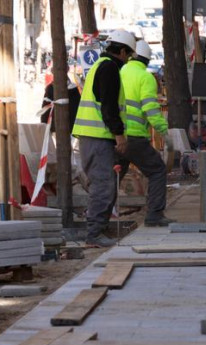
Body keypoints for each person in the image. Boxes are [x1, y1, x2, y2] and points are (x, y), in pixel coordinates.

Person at [72, 29, 137, 248]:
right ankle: (94, 234)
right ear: (121, 51)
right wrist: (119, 135)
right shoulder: (109, 68)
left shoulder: (102, 66)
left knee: (107, 184)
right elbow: (109, 107)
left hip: (96, 137)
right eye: (128, 55)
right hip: (98, 137)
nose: (128, 60)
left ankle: (99, 230)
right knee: (104, 185)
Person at [118, 40, 173, 227]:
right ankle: (155, 215)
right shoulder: (145, 77)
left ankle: (101, 218)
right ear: (147, 60)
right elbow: (150, 109)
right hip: (134, 137)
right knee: (157, 170)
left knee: (114, 175)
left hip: (116, 135)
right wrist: (165, 131)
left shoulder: (120, 71)